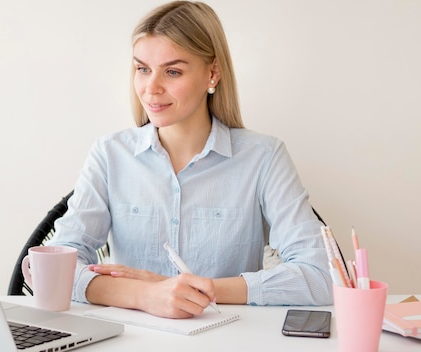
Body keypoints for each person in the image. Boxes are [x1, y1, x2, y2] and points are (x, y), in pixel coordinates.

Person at [47, 1, 332, 319]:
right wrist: (146, 295)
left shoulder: (264, 157)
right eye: (143, 69)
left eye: (172, 71)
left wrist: (190, 290)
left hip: (227, 337)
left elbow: (320, 277)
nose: (151, 88)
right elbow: (53, 270)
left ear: (213, 73)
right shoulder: (110, 154)